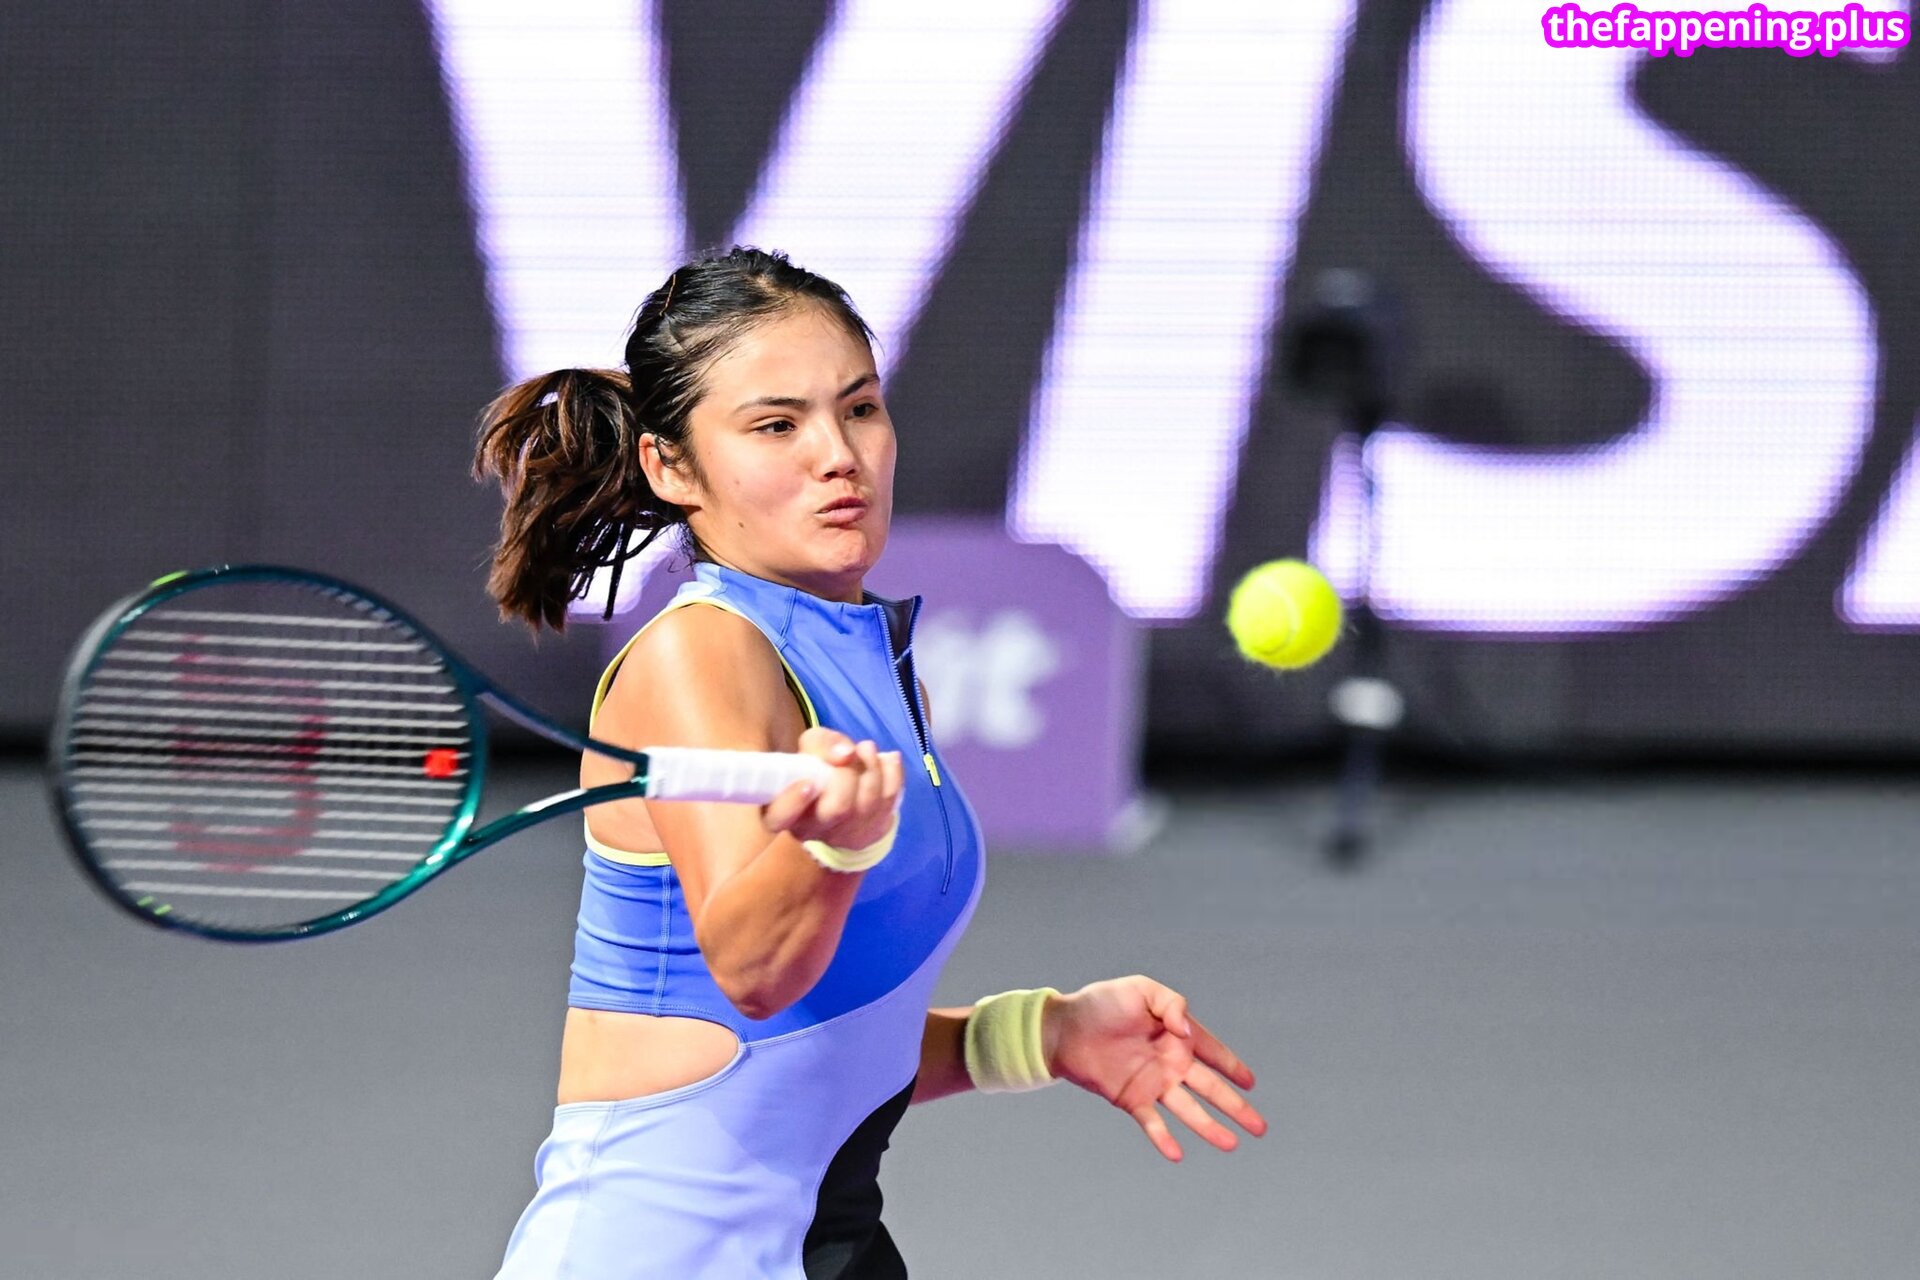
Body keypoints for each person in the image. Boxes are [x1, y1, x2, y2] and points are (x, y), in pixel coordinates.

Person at [473, 246, 1265, 1279]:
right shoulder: (699, 652)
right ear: (672, 467)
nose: (839, 455)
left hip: (822, 1242)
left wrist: (1041, 1033)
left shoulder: (873, 662)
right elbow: (756, 973)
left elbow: (824, 1040)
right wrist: (830, 851)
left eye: (859, 408)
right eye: (776, 425)